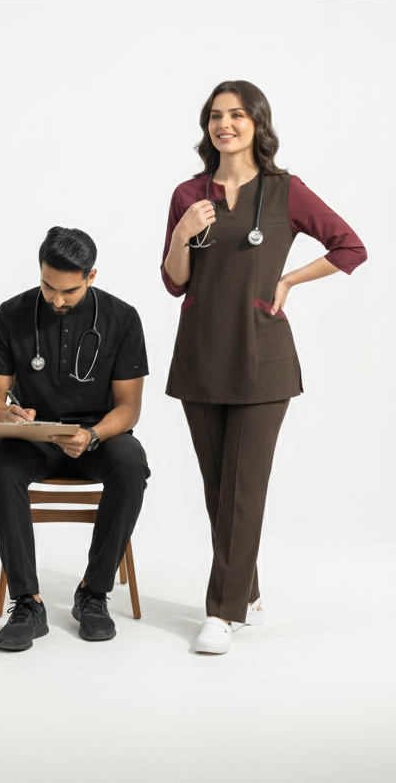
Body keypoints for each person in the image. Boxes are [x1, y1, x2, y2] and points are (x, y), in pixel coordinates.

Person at [161, 80, 367, 655]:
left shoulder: (284, 191)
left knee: (244, 489)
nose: (224, 124)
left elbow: (350, 247)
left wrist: (290, 279)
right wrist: (181, 233)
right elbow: (175, 280)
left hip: (260, 357)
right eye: (215, 116)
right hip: (201, 352)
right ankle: (245, 591)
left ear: (257, 122)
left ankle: (221, 612)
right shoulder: (188, 193)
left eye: (236, 115)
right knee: (217, 486)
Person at [0, 227, 150, 651]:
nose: (56, 299)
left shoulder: (121, 318)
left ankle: (93, 592)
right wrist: (8, 414)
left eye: (68, 291)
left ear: (91, 276)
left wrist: (92, 434)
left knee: (131, 464)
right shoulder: (11, 315)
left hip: (99, 437)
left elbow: (129, 408)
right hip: (35, 440)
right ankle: (27, 602)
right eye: (47, 286)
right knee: (1, 465)